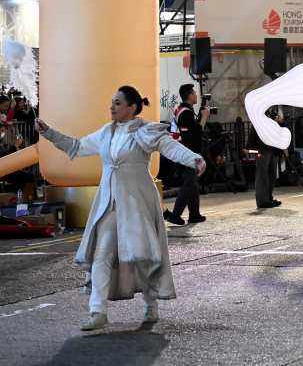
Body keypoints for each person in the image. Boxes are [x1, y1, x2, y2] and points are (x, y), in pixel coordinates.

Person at [35, 86, 205, 331]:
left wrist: (194, 159)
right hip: (109, 204)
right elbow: (76, 146)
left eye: (117, 103)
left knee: (142, 256)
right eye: (112, 102)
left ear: (132, 107)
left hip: (137, 203)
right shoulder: (106, 132)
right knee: (101, 254)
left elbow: (171, 148)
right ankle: (98, 311)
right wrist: (48, 132)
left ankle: (151, 303)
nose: (112, 107)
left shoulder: (147, 131)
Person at [164, 84, 209, 225]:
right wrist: (204, 117)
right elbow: (196, 132)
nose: (196, 95)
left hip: (184, 151)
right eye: (194, 93)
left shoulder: (182, 110)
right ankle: (175, 215)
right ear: (189, 95)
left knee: (193, 183)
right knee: (189, 183)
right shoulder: (186, 113)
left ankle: (194, 214)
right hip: (188, 153)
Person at [245, 110, 284, 209]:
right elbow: (255, 129)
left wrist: (279, 123)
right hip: (262, 148)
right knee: (262, 174)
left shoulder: (271, 115)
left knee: (272, 175)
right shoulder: (259, 115)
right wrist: (249, 146)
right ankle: (262, 201)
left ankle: (268, 198)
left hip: (273, 148)